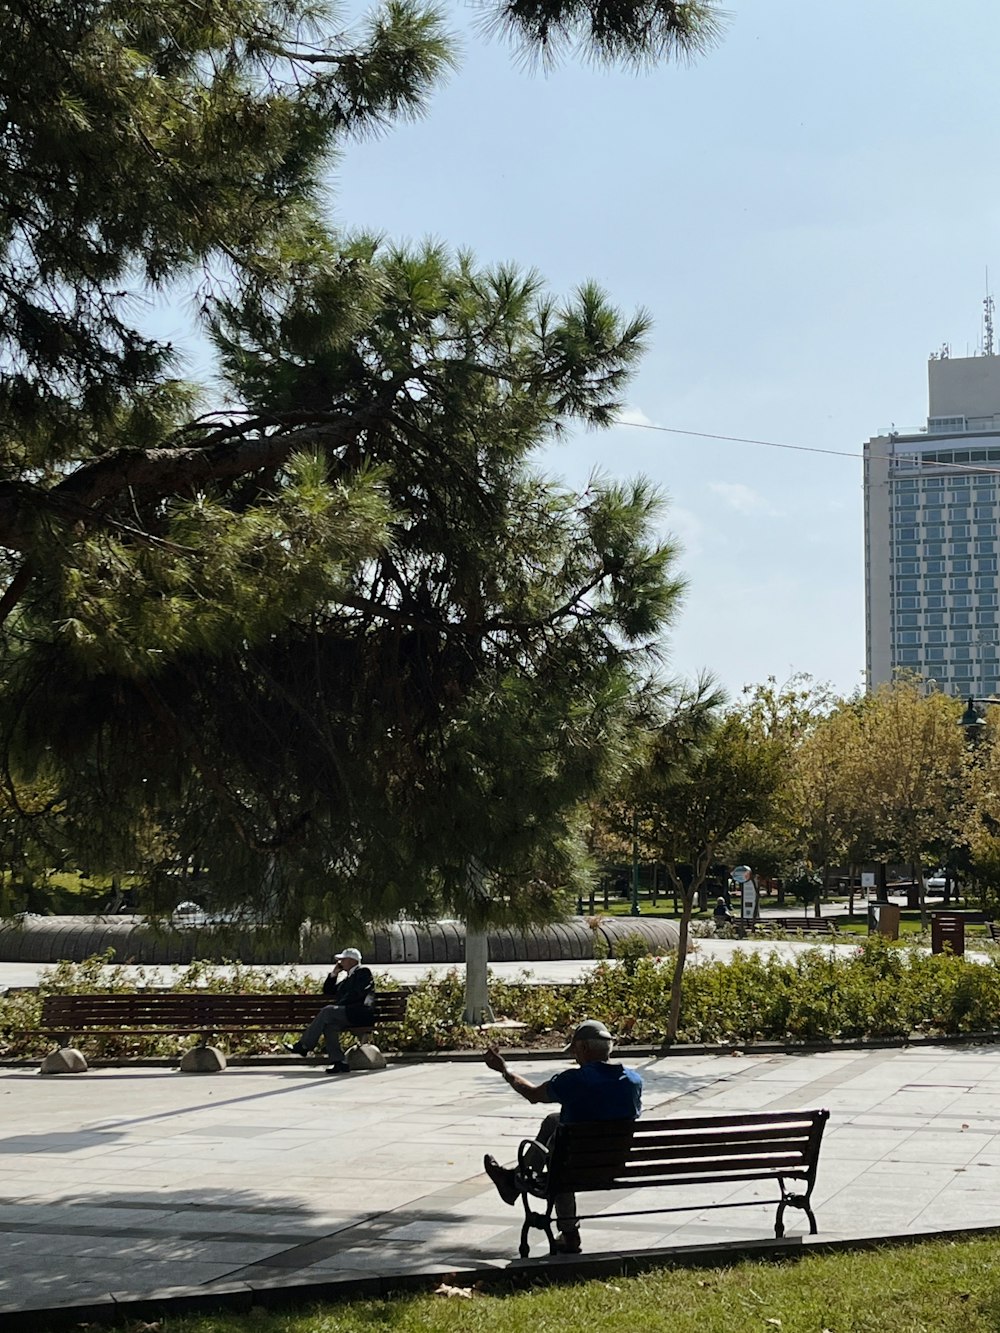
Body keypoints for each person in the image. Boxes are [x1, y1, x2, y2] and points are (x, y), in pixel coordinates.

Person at [482, 1019, 642, 1254]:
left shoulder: (574, 1080)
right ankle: (514, 1180)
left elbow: (533, 1094)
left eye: (575, 1050)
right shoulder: (633, 1081)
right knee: (553, 1121)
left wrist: (505, 1070)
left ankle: (520, 1187)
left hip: (574, 1166)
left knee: (561, 1159)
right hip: (612, 1165)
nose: (575, 1058)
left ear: (584, 1049)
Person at [285, 947, 375, 1074]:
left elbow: (358, 993)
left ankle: (304, 1045)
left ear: (351, 961)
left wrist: (339, 1005)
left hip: (359, 1013)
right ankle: (339, 1062)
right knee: (329, 1026)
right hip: (349, 1013)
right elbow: (328, 991)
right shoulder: (347, 979)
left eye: (342, 960)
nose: (340, 963)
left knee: (328, 1011)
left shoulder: (363, 972)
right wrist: (334, 974)